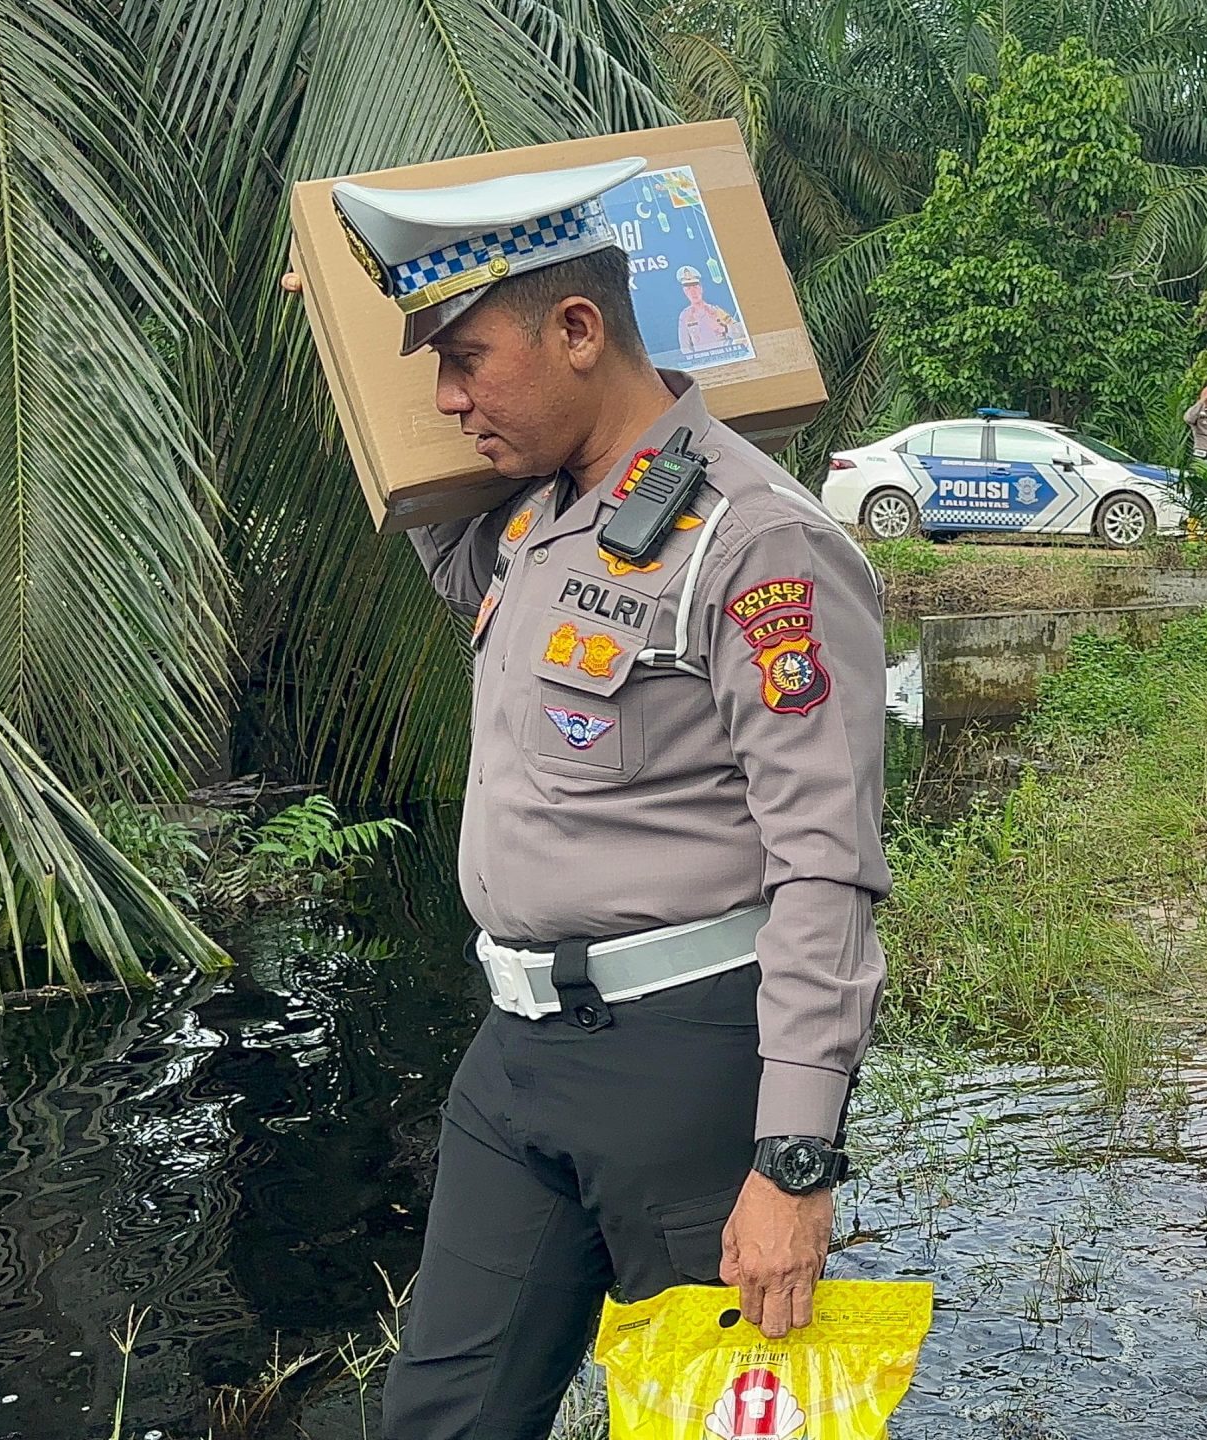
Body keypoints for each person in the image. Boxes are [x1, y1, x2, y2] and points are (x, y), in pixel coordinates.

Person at [320, 158, 891, 1437]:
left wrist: (791, 1159)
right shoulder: (537, 519)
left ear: (578, 331)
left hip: (689, 1064)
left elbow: (824, 864)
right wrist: (349, 338)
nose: (449, 399)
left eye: (468, 358)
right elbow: (432, 522)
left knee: (707, 1422)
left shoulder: (758, 542)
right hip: (516, 1053)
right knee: (441, 1416)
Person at [678, 266, 744, 355]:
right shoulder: (685, 316)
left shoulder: (717, 310)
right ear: (685, 292)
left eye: (695, 287)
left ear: (701, 288)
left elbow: (740, 333)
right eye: (688, 289)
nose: (693, 292)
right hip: (704, 360)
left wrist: (726, 325)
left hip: (726, 355)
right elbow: (685, 348)